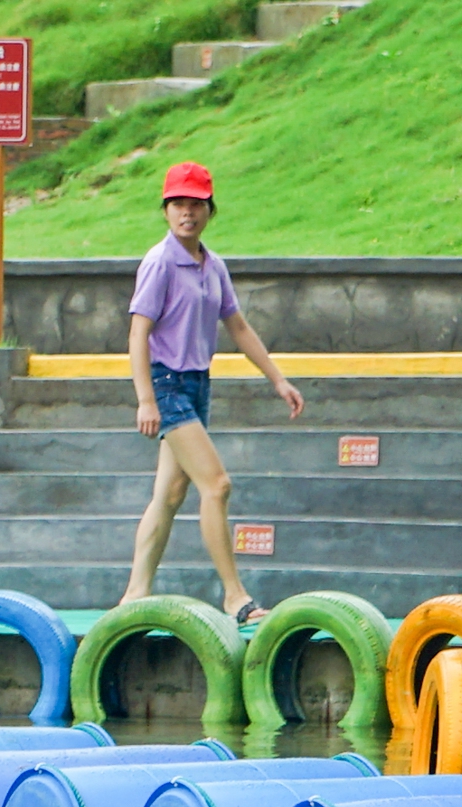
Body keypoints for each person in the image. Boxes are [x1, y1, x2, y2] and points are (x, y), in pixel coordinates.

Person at [121, 161, 304, 625]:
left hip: (198, 384)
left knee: (170, 494)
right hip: (167, 384)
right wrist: (145, 399)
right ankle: (235, 597)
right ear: (166, 210)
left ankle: (133, 594)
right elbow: (138, 332)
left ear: (209, 210)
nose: (188, 213)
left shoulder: (212, 264)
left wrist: (277, 379)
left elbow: (237, 326)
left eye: (196, 204)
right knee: (217, 485)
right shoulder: (160, 262)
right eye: (179, 204)